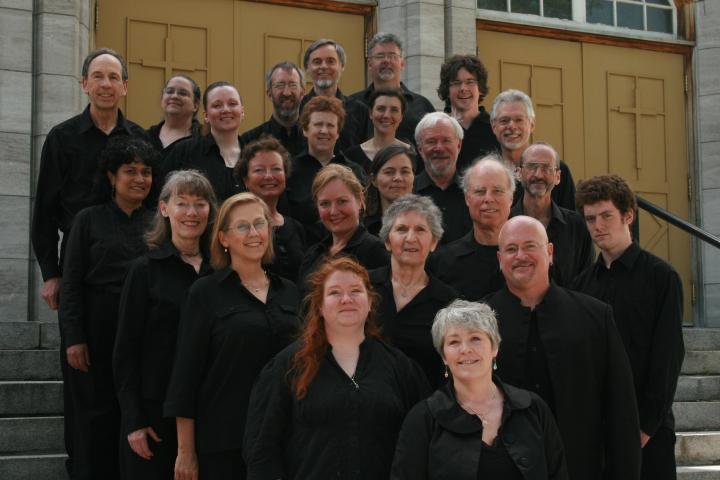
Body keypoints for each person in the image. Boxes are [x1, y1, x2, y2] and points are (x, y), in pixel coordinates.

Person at [30, 47, 147, 474]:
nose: (105, 84)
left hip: (129, 277)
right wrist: (52, 274)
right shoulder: (62, 138)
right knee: (85, 402)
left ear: (124, 87)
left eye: (114, 77)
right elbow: (44, 212)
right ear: (84, 84)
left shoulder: (137, 140)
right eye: (98, 76)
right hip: (82, 273)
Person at [244, 257, 430, 480]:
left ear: (370, 301)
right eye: (334, 293)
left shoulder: (401, 368)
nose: (346, 299)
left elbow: (422, 442)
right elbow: (261, 450)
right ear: (320, 306)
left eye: (355, 291)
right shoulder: (288, 366)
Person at [485, 215, 641, 480]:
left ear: (550, 252)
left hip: (579, 468)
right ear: (500, 259)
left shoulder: (595, 317)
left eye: (530, 246)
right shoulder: (478, 322)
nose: (520, 255)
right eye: (511, 249)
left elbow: (621, 410)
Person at [163, 192, 300, 480]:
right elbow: (185, 376)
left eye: (259, 224)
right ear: (223, 238)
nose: (254, 233)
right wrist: (185, 452)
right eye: (242, 226)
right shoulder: (205, 293)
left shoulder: (290, 292)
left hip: (286, 439)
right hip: (224, 443)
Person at [572, 175, 684, 480]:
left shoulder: (662, 278)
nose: (598, 226)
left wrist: (646, 425)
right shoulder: (581, 285)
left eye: (607, 216)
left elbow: (668, 356)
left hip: (649, 429)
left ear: (628, 216)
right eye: (591, 218)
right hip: (597, 430)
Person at [59, 136, 158, 480]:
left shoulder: (159, 223)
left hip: (141, 336)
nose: (140, 178)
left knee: (132, 417)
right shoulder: (87, 220)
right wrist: (74, 338)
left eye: (146, 171)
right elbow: (70, 283)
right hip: (96, 331)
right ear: (111, 177)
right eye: (129, 170)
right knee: (93, 422)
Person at [391, 299, 569, 480]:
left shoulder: (534, 409)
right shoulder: (423, 419)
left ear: (495, 348)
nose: (465, 349)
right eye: (454, 342)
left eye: (475, 338)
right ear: (444, 356)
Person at [113, 170, 217, 479]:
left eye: (200, 204)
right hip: (153, 416)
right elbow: (125, 351)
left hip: (209, 412)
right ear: (163, 208)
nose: (191, 213)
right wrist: (133, 420)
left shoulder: (222, 272)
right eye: (182, 203)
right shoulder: (144, 271)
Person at [370, 194, 458, 387]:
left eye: (420, 229)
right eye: (401, 229)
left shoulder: (448, 303)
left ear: (434, 242)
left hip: (422, 408)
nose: (411, 238)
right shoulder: (362, 287)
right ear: (387, 241)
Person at [427, 155, 512, 300]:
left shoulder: (528, 259)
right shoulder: (442, 263)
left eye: (497, 191)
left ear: (511, 198)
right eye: (480, 191)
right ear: (467, 199)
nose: (488, 199)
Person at [285, 96, 366, 245]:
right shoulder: (289, 171)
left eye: (330, 125)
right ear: (305, 129)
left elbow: (362, 218)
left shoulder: (354, 171)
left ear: (338, 132)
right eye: (318, 124)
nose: (324, 130)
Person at [510, 143, 593, 286]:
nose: (538, 175)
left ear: (558, 177)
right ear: (518, 173)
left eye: (546, 168)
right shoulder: (504, 224)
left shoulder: (577, 227)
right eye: (531, 167)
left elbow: (586, 280)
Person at [297, 164, 388, 289]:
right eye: (325, 204)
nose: (333, 211)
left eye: (342, 201)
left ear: (360, 200)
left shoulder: (375, 251)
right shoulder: (313, 254)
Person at [489, 89, 576, 209]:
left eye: (519, 120)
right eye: (504, 120)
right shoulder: (485, 173)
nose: (512, 126)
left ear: (532, 124)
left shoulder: (554, 169)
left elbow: (570, 221)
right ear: (493, 126)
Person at [235, 136, 306, 281]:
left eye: (276, 169)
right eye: (259, 170)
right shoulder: (235, 226)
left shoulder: (296, 227)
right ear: (246, 180)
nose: (268, 176)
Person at [349, 32, 436, 148]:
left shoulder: (422, 106)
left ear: (402, 64)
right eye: (380, 56)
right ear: (369, 64)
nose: (386, 61)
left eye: (392, 56)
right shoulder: (352, 104)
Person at [164, 81, 245, 202]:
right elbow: (163, 198)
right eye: (217, 105)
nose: (226, 110)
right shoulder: (184, 152)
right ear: (206, 115)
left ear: (242, 111)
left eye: (232, 104)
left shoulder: (255, 154)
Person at [299, 38, 370, 151]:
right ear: (307, 68)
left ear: (342, 66)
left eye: (330, 61)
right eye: (317, 62)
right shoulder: (298, 109)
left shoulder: (360, 111)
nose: (324, 66)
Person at [413, 112, 471, 244]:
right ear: (420, 149)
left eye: (446, 140)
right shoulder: (408, 191)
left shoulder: (474, 192)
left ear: (459, 145)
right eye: (431, 141)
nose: (439, 148)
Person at [437, 54, 499, 172]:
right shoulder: (436, 128)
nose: (463, 88)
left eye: (470, 82)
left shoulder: (495, 128)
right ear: (447, 90)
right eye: (456, 83)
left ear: (480, 88)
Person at [240, 62, 307, 156]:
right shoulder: (250, 141)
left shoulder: (314, 139)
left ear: (302, 93)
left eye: (293, 85)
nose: (287, 93)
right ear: (269, 94)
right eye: (280, 85)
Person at [343, 88, 410, 173]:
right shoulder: (351, 156)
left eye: (394, 110)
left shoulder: (412, 155)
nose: (386, 115)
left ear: (401, 117)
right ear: (370, 113)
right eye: (381, 109)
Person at [364, 144, 416, 236]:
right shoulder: (362, 228)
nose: (398, 178)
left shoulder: (430, 223)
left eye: (405, 172)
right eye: (389, 172)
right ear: (374, 180)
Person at [146, 75, 202, 156]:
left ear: (195, 105)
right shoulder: (146, 137)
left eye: (183, 93)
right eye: (169, 91)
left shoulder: (204, 140)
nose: (174, 96)